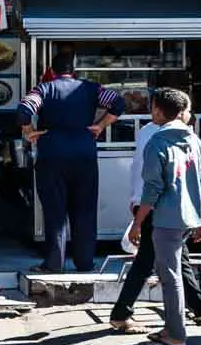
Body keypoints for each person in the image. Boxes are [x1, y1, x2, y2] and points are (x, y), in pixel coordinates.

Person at [110, 102, 201, 333]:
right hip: (158, 209)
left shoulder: (156, 133)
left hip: (155, 208)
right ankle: (127, 316)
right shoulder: (167, 138)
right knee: (153, 264)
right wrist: (139, 221)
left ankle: (198, 308)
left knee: (174, 260)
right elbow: (158, 183)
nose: (190, 115)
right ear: (177, 112)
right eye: (187, 110)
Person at [18, 53, 126, 274]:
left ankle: (54, 263)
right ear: (73, 70)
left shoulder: (43, 89)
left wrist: (29, 131)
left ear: (52, 71)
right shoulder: (92, 88)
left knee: (55, 212)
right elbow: (118, 102)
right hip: (84, 155)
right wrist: (100, 125)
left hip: (52, 155)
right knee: (84, 210)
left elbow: (24, 110)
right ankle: (85, 262)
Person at [127, 88, 201, 345]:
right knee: (173, 273)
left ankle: (176, 334)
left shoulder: (157, 142)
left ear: (157, 110)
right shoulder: (194, 140)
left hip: (166, 219)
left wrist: (138, 222)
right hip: (189, 218)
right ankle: (171, 327)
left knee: (171, 277)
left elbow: (152, 189)